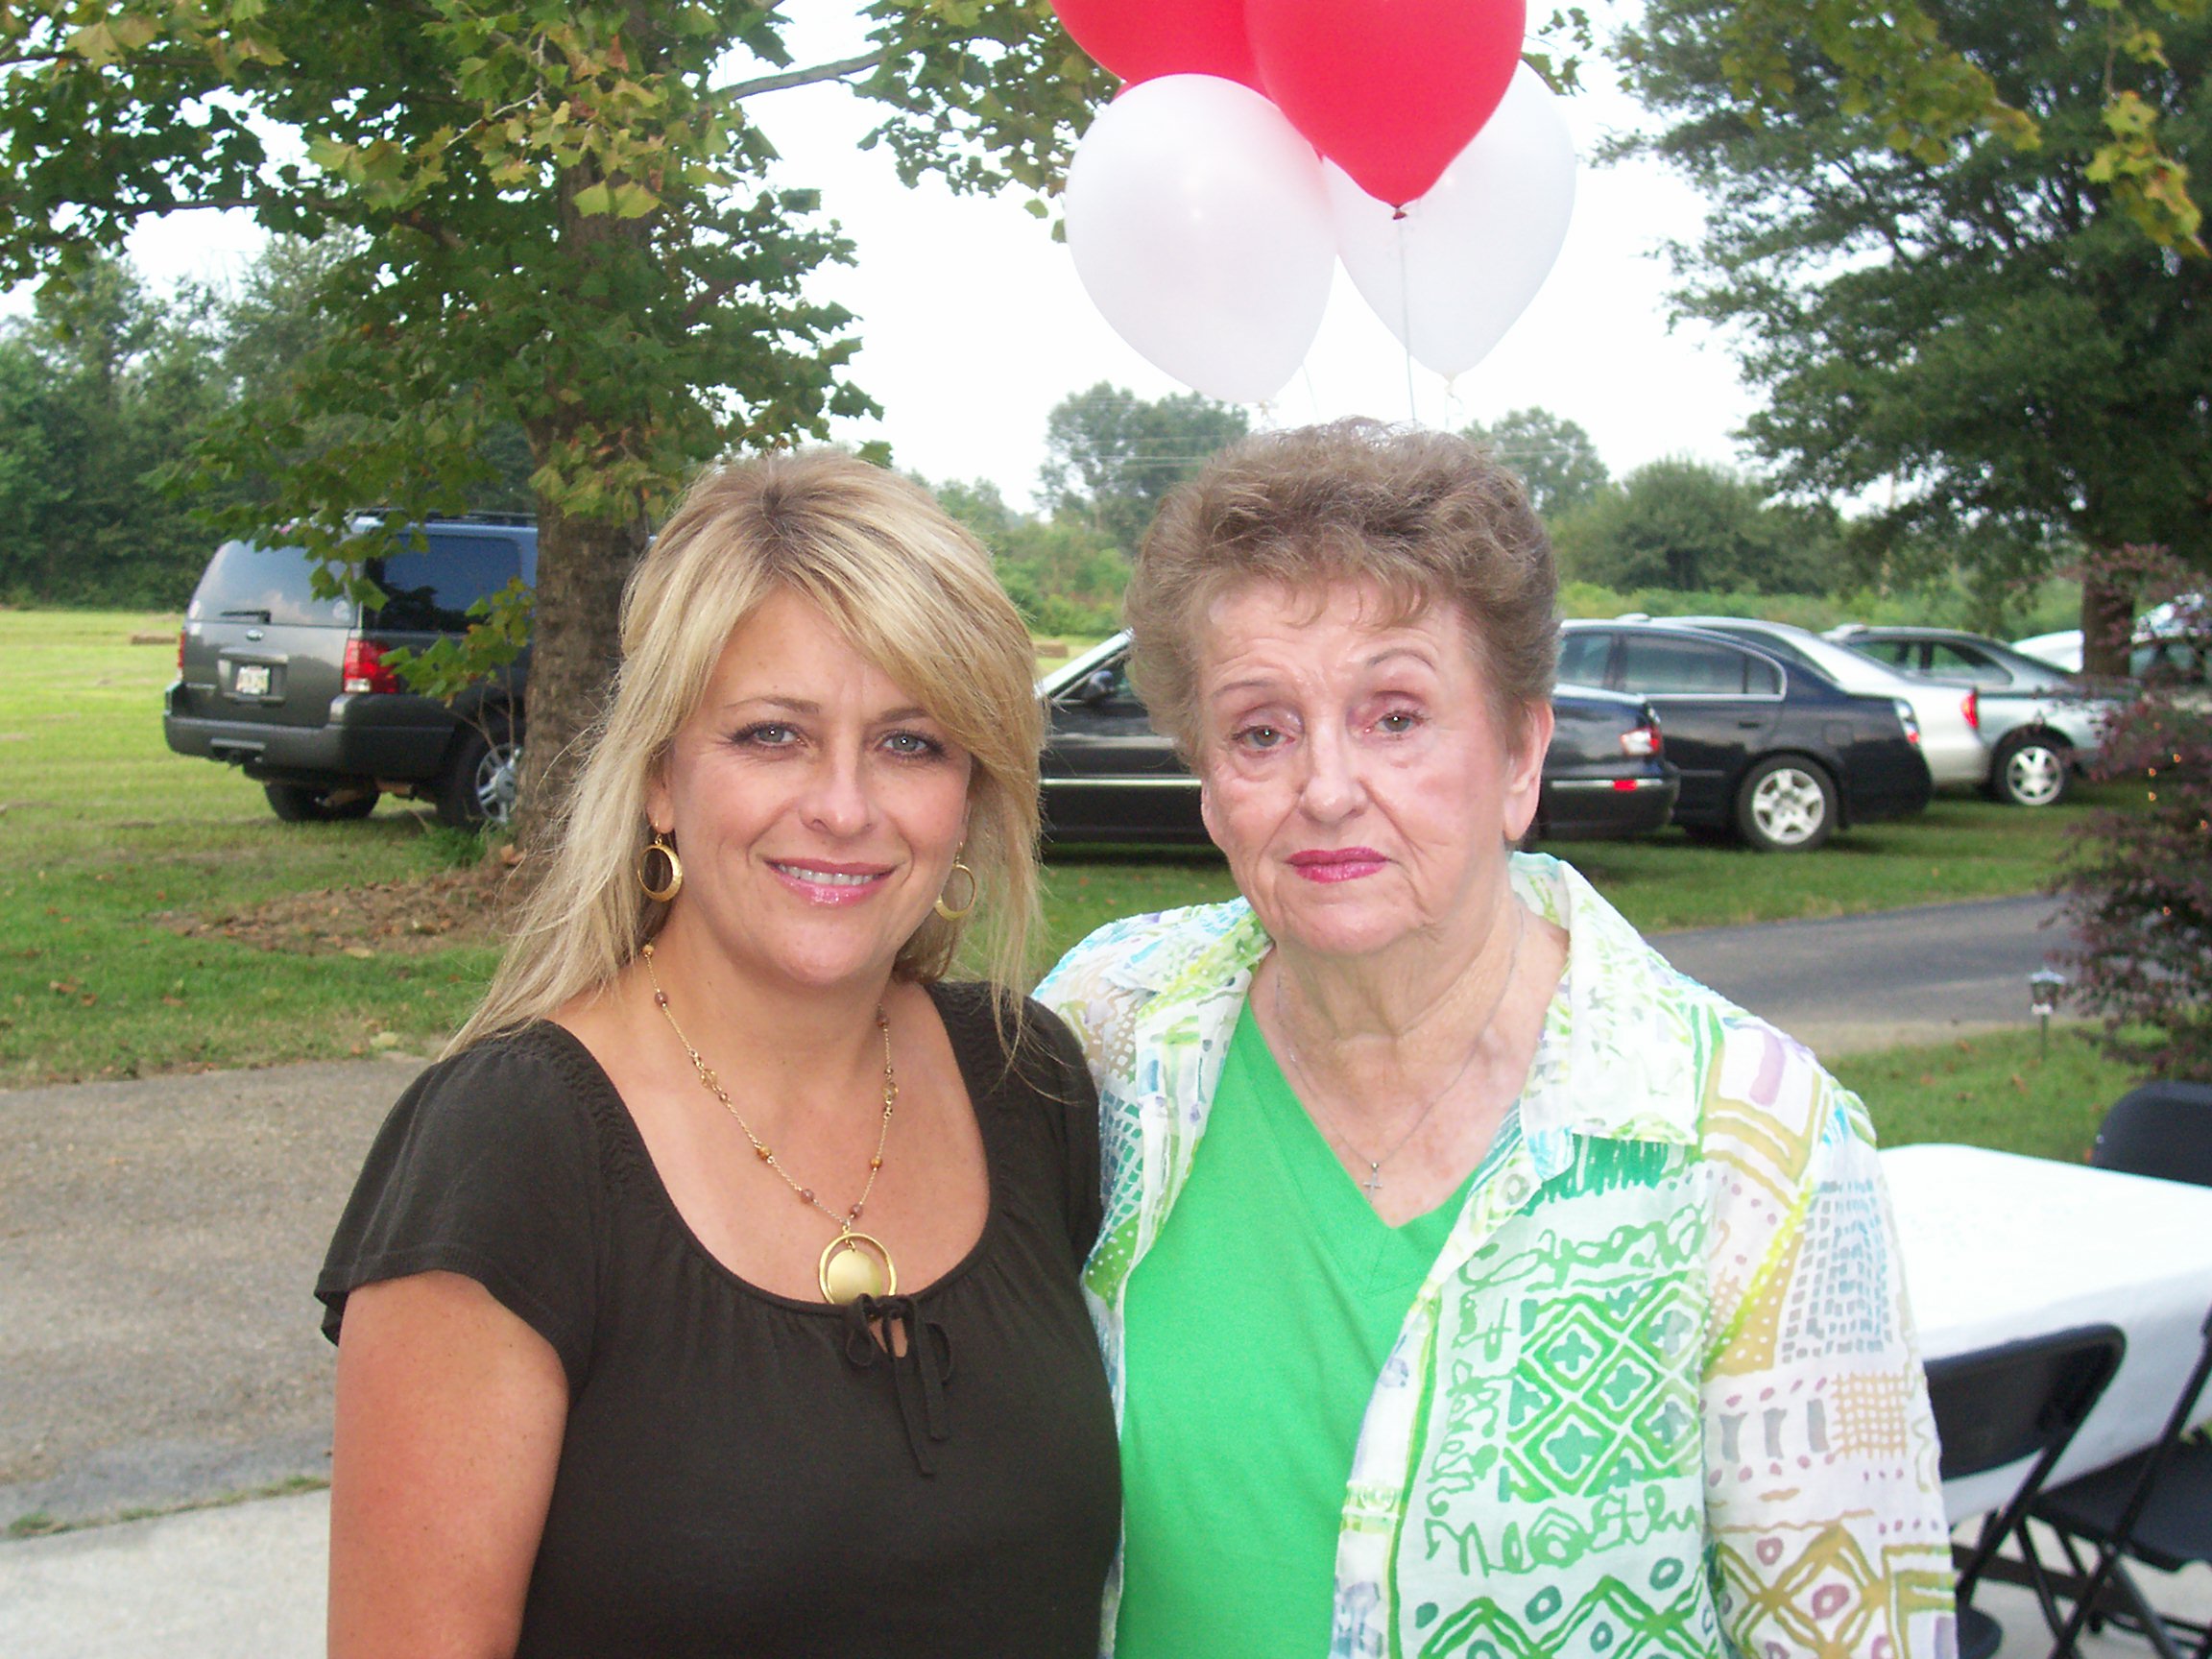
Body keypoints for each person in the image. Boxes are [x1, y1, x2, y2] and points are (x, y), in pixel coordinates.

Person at [1038, 421, 1954, 1659]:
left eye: (1395, 716)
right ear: (1210, 786)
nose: (1326, 788)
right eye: (1261, 731)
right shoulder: (1111, 1028)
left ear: (1520, 755)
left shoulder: (1750, 1137)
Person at [318, 451, 1118, 1658]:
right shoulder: (511, 1147)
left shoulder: (1026, 1078)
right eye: (771, 734)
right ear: (658, 777)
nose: (843, 807)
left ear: (970, 793)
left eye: (911, 744)